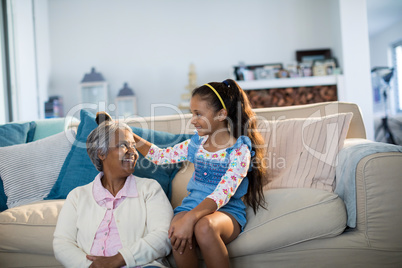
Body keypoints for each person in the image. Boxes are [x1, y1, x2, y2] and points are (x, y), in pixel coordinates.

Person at [133, 79, 267, 268]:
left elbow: (222, 193)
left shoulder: (239, 151)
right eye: (192, 113)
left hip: (226, 213)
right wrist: (130, 135)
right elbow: (160, 156)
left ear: (221, 114)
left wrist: (191, 218)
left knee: (205, 227)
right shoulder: (196, 144)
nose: (193, 120)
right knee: (175, 228)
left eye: (198, 114)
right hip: (191, 207)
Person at [53, 113, 173, 268]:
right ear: (101, 153)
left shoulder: (150, 189)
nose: (133, 152)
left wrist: (117, 260)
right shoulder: (77, 196)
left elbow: (163, 236)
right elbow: (62, 243)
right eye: (123, 145)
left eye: (133, 146)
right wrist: (90, 266)